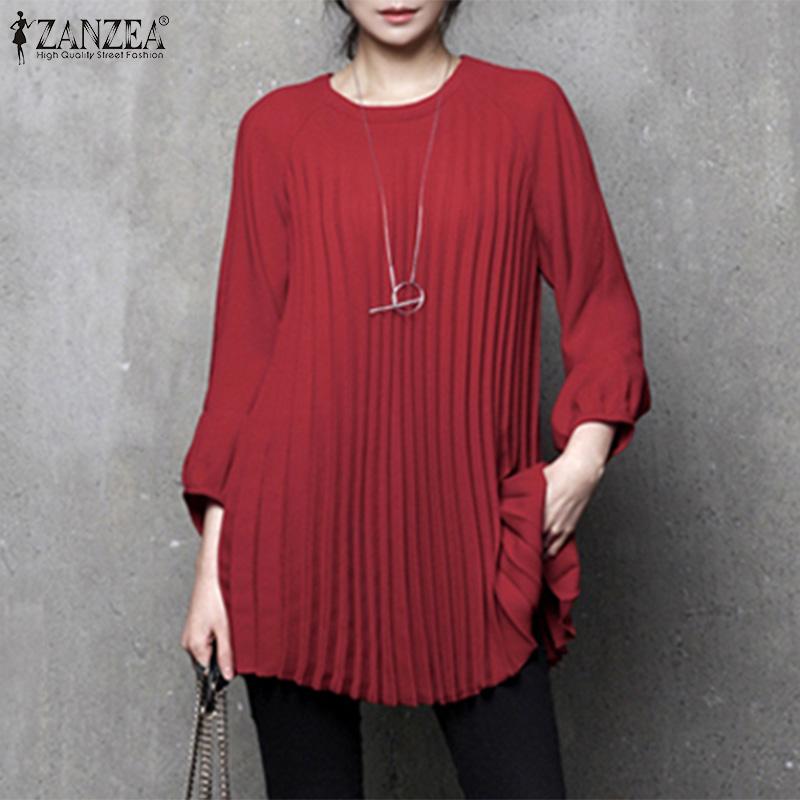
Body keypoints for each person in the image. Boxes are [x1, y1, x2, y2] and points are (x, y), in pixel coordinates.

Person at [179, 1, 652, 797]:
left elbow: (602, 308)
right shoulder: (276, 130)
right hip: (291, 542)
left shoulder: (528, 113)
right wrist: (211, 572)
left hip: (470, 536)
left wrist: (581, 463)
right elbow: (242, 365)